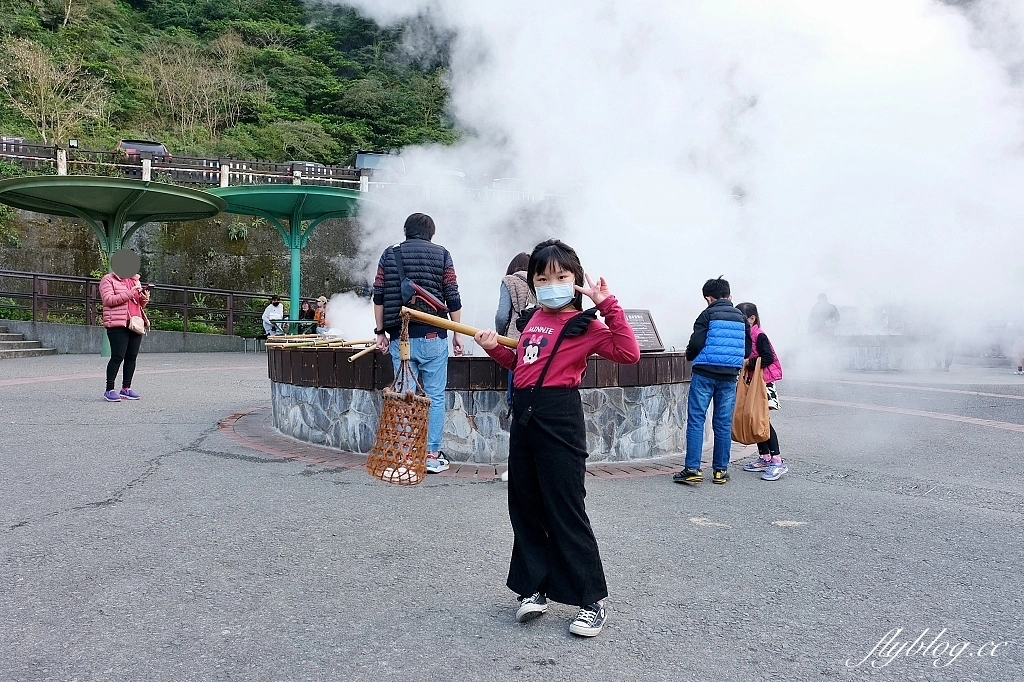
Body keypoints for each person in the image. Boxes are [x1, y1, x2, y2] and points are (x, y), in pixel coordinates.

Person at [474, 238, 640, 639]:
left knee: (566, 510)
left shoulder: (586, 325)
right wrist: (495, 349)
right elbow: (521, 363)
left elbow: (628, 352)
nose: (552, 283)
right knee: (525, 507)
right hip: (526, 417)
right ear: (532, 281)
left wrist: (607, 304)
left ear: (575, 279)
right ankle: (534, 589)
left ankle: (591, 601)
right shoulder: (532, 320)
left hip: (560, 417)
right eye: (542, 276)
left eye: (561, 276)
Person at [372, 213, 464, 474]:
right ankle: (432, 455)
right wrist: (457, 333)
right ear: (431, 233)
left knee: (404, 396)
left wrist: (380, 332)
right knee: (433, 396)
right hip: (434, 335)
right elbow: (452, 296)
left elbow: (378, 295)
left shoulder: (390, 254)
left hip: (400, 338)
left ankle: (403, 456)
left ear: (405, 231)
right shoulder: (442, 254)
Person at [673, 277, 751, 486]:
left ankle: (692, 469)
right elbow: (748, 349)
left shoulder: (707, 314)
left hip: (705, 373)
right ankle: (720, 471)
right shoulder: (741, 318)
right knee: (723, 423)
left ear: (708, 298)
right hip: (729, 376)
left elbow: (697, 342)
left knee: (697, 419)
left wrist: (690, 355)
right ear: (729, 295)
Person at [736, 302, 788, 481]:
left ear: (752, 318)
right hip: (753, 382)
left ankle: (777, 460)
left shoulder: (759, 335)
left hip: (763, 383)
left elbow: (767, 358)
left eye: (742, 319)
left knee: (762, 420)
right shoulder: (746, 334)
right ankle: (764, 457)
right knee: (753, 418)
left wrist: (748, 363)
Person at [99, 249, 151, 402]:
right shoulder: (108, 279)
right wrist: (130, 292)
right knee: (117, 356)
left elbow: (138, 303)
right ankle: (109, 389)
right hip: (117, 323)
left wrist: (144, 298)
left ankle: (126, 388)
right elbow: (108, 300)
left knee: (131, 357)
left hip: (135, 321)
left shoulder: (135, 280)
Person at [494, 252, 534, 339]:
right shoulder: (540, 281)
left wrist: (501, 334)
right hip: (537, 334)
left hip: (515, 336)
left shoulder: (509, 281)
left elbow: (502, 316)